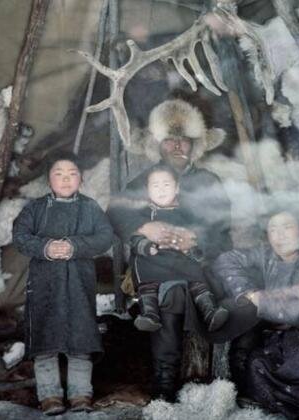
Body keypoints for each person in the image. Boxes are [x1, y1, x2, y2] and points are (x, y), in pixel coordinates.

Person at [108, 98, 232, 401]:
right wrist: (144, 227)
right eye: (169, 140)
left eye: (184, 140)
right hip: (159, 264)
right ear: (158, 144)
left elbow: (221, 225)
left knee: (203, 292)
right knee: (169, 295)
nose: (177, 146)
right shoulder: (146, 181)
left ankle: (208, 381)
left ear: (195, 144)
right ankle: (165, 378)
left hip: (198, 263)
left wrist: (196, 239)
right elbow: (117, 212)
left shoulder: (208, 180)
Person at [212, 201, 299, 419]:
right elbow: (225, 261)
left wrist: (265, 303)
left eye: (287, 227)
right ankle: (293, 401)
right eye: (273, 229)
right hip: (276, 338)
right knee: (256, 364)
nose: (280, 236)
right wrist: (249, 292)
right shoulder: (264, 255)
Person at [12, 151, 113, 415]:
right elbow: (20, 236)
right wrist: (45, 247)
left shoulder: (90, 208)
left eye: (72, 174)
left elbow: (105, 237)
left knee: (80, 338)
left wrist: (75, 246)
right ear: (49, 180)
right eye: (59, 174)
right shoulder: (35, 208)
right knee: (45, 340)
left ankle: (80, 393)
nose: (66, 179)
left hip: (79, 283)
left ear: (81, 178)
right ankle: (49, 395)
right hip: (44, 284)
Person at [130, 163, 229, 333]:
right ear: (147, 191)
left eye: (166, 185)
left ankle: (210, 312)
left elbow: (198, 235)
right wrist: (146, 246)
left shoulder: (187, 212)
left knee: (197, 278)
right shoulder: (143, 214)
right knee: (142, 265)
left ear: (177, 188)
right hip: (155, 257)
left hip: (181, 257)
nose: (161, 190)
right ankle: (150, 315)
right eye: (155, 186)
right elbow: (134, 235)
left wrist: (191, 247)